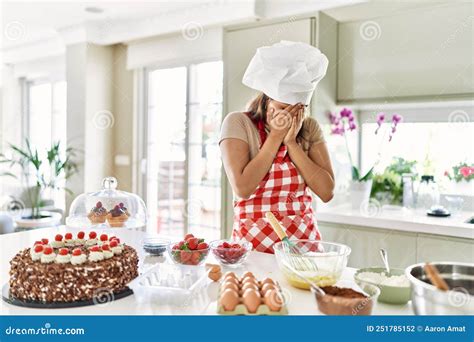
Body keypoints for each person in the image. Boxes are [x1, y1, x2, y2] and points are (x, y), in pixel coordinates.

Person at [219, 41, 335, 253]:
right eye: (283, 108)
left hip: (304, 248)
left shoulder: (308, 127)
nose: (292, 116)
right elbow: (243, 188)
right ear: (266, 102)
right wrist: (275, 137)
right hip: (253, 249)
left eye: (299, 109)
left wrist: (292, 144)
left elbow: (327, 192)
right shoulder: (238, 123)